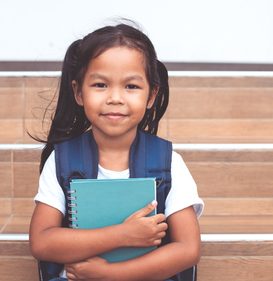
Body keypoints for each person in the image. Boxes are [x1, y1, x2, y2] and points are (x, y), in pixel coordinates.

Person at [29, 21, 204, 281]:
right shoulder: (63, 160)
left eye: (131, 86)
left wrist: (111, 274)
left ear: (151, 95)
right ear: (78, 92)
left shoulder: (168, 163)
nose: (115, 98)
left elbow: (188, 249)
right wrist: (122, 235)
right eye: (100, 85)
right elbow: (41, 242)